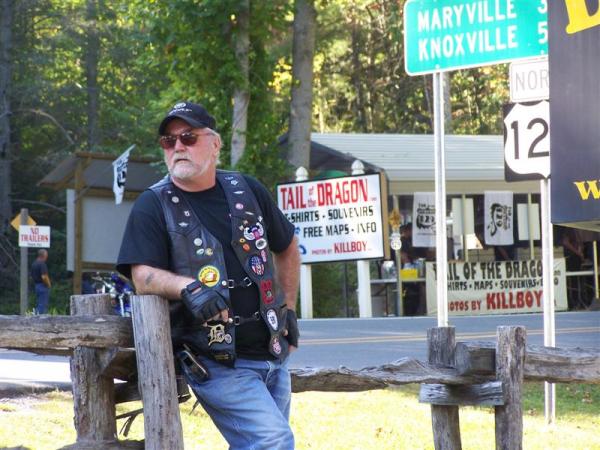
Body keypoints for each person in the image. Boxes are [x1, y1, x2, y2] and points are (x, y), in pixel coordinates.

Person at [117, 101, 301, 449]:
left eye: (187, 137)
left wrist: (289, 307)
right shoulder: (154, 204)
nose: (178, 147)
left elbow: (288, 245)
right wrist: (189, 287)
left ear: (215, 144)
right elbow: (141, 276)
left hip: (272, 351)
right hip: (214, 360)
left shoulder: (246, 189)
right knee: (274, 441)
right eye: (168, 142)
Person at [31, 249, 51, 314]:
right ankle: (39, 320)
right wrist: (48, 284)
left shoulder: (34, 264)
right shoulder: (42, 264)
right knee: (43, 305)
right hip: (42, 286)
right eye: (46, 255)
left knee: (39, 304)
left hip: (36, 285)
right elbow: (44, 276)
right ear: (44, 256)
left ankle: (35, 315)